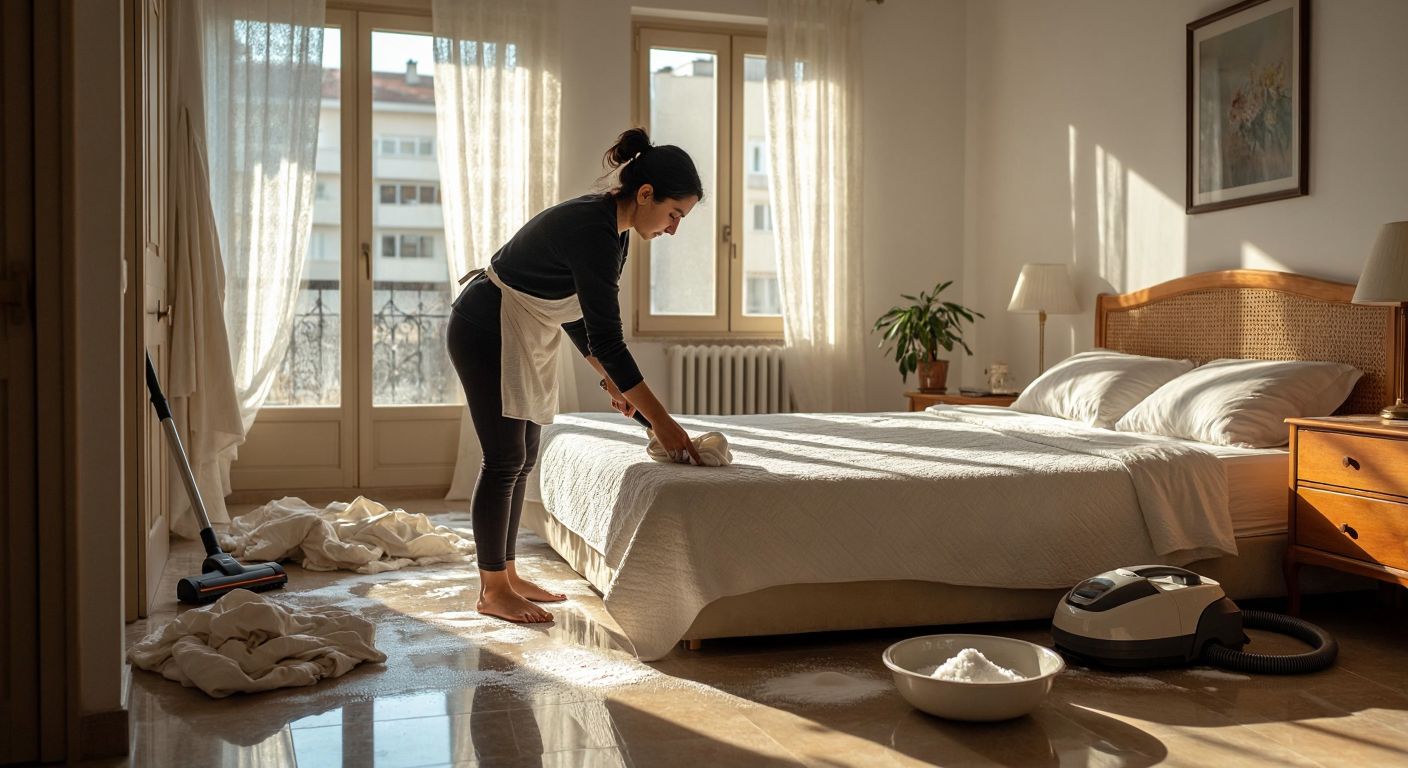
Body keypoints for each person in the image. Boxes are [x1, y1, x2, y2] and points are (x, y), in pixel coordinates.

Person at [446, 127, 704, 624]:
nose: (674, 229)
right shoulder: (594, 230)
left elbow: (580, 320)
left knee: (523, 458)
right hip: (487, 326)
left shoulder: (615, 231)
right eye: (674, 214)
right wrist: (662, 425)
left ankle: (508, 573)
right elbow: (609, 339)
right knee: (503, 459)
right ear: (645, 194)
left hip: (519, 327)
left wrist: (609, 381)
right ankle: (491, 590)